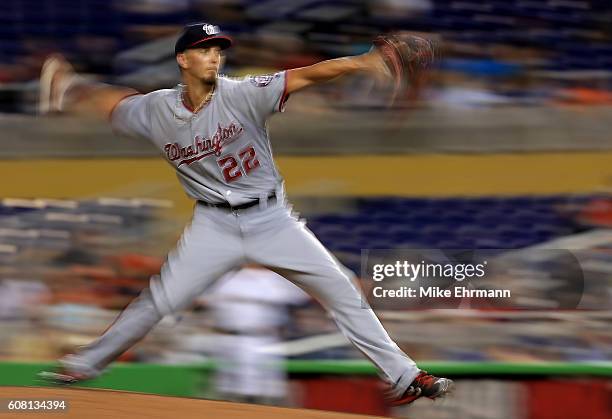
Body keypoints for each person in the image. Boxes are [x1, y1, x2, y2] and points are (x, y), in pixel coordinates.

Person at [38, 22, 453, 405]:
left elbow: (306, 75)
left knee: (343, 289)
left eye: (218, 50)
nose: (214, 56)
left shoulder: (242, 92)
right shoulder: (155, 109)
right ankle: (80, 366)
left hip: (272, 220)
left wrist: (361, 62)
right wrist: (73, 86)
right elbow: (116, 103)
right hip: (213, 225)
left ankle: (406, 377)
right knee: (160, 300)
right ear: (183, 60)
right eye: (204, 50)